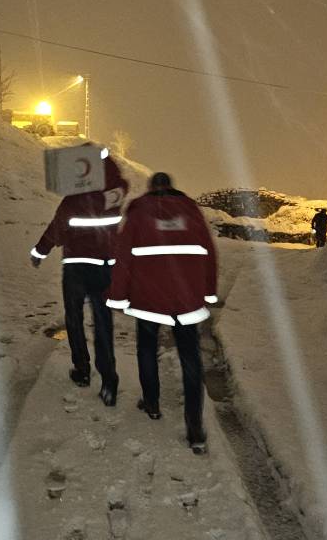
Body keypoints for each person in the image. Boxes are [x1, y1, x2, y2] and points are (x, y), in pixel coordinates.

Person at [106, 172, 217, 454]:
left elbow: (123, 257)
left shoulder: (139, 212)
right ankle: (195, 428)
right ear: (171, 187)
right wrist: (208, 293)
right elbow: (209, 252)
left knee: (146, 349)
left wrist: (117, 297)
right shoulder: (191, 211)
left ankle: (152, 403)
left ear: (151, 188)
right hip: (187, 301)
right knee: (191, 360)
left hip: (149, 299)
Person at [31, 149, 129, 406]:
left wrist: (40, 251)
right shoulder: (114, 197)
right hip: (105, 267)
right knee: (102, 321)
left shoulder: (73, 201)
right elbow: (120, 180)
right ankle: (109, 379)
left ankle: (82, 370)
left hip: (76, 267)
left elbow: (57, 229)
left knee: (74, 318)